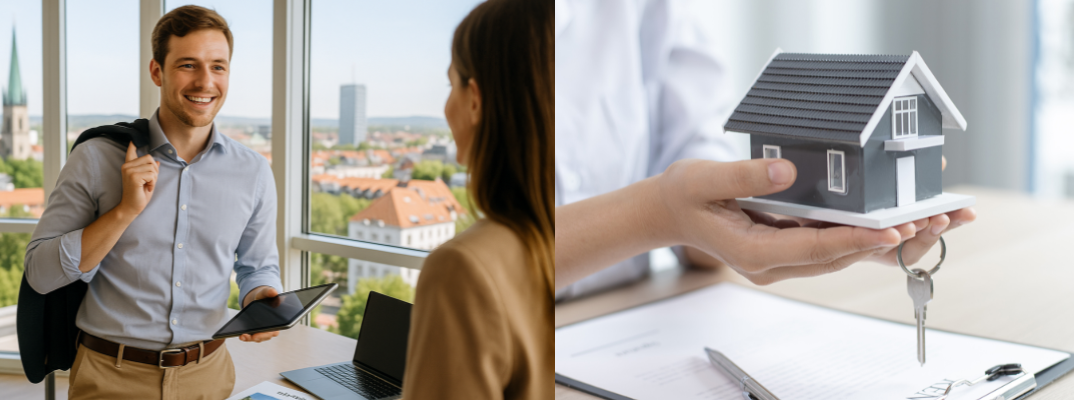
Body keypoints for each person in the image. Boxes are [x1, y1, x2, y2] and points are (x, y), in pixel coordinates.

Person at [555, 0, 976, 297]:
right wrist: (658, 214)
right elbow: (486, 259)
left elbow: (692, 158)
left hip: (640, 304)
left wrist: (728, 221)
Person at [23, 6, 283, 399]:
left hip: (208, 376)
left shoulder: (253, 172)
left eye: (218, 66)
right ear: (157, 72)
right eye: (188, 65)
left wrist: (261, 294)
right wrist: (124, 212)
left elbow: (257, 266)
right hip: (111, 376)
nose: (205, 81)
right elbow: (41, 273)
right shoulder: (97, 158)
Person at [400, 0, 553, 398]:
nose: (445, 107)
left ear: (474, 100)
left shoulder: (463, 269)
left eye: (452, 85)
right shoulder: (558, 243)